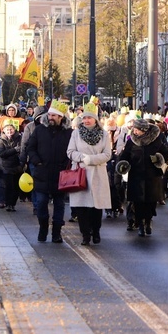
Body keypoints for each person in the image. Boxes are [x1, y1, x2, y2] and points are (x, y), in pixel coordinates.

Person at [25, 100, 73, 243]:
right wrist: (37, 161)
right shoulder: (40, 130)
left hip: (61, 174)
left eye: (55, 115)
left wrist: (67, 164)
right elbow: (30, 147)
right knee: (41, 202)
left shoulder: (69, 133)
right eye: (50, 115)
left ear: (61, 117)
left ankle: (57, 232)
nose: (51, 117)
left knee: (59, 204)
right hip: (42, 173)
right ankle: (43, 228)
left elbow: (72, 150)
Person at [66, 101, 112, 245]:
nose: (86, 120)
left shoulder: (104, 134)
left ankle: (96, 231)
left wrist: (91, 159)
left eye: (89, 118)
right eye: (84, 118)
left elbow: (107, 154)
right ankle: (85, 234)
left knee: (96, 206)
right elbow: (70, 152)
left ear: (95, 119)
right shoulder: (76, 133)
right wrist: (82, 158)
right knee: (81, 207)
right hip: (80, 172)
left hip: (98, 172)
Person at [116, 118, 168, 237]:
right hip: (136, 176)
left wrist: (158, 158)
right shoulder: (131, 142)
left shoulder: (156, 141)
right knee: (138, 202)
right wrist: (123, 164)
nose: (135, 132)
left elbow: (167, 154)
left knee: (150, 202)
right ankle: (140, 224)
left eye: (137, 130)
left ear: (144, 130)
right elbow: (125, 156)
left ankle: (148, 222)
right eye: (134, 129)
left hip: (152, 176)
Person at [0, 121, 22, 212]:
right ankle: (8, 203)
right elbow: (2, 153)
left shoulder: (19, 138)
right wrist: (14, 150)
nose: (9, 131)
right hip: (6, 166)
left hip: (17, 165)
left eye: (11, 129)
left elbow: (22, 149)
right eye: (7, 129)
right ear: (4, 130)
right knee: (8, 186)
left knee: (16, 187)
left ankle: (13, 204)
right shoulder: (1, 140)